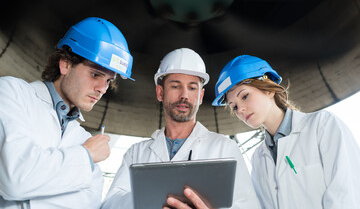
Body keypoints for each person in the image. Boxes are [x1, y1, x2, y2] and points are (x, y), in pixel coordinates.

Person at [0, 17, 134, 208]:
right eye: (95, 74)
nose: (102, 89)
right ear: (65, 64)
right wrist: (84, 157)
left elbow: (88, 204)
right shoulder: (11, 92)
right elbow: (14, 179)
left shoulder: (83, 138)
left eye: (108, 81)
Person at [101, 48, 261, 209]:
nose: (184, 95)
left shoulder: (225, 149)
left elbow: (249, 206)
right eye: (176, 86)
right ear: (160, 92)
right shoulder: (136, 153)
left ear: (200, 96)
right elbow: (109, 204)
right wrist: (149, 199)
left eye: (192, 88)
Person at [212, 54, 360, 208]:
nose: (240, 109)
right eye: (234, 106)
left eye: (244, 96)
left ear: (268, 89)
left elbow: (347, 195)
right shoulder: (258, 159)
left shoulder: (323, 126)